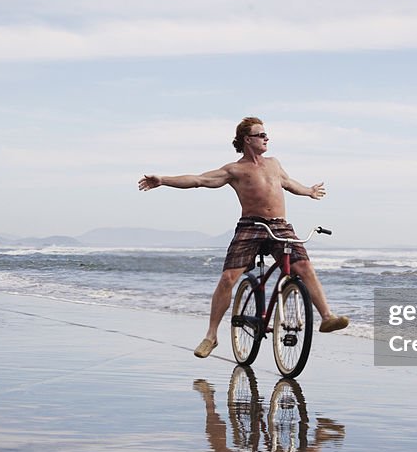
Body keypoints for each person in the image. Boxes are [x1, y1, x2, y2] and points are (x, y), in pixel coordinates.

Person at [138, 116, 349, 358]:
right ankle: (211, 336)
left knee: (304, 267)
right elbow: (199, 180)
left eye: (266, 134)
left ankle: (326, 317)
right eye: (261, 135)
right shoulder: (234, 170)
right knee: (228, 278)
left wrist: (309, 191)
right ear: (247, 140)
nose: (266, 138)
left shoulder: (274, 164)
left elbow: (289, 183)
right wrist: (163, 180)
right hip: (251, 226)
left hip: (280, 226)